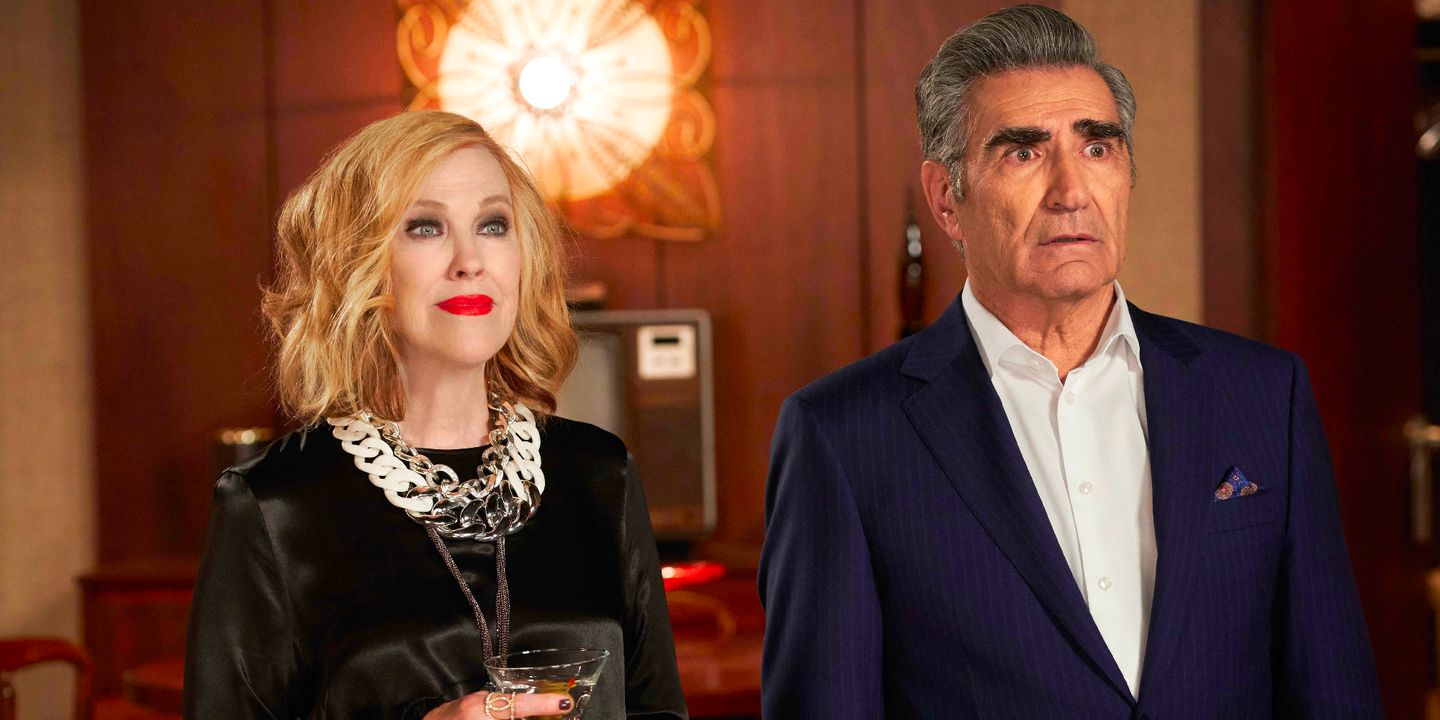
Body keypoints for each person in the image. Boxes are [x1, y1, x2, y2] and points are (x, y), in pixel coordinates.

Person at [759, 5, 1382, 718]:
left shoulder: (1264, 394)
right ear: (947, 198)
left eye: (1097, 148)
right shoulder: (842, 436)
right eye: (1023, 153)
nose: (1071, 192)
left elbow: (1333, 690)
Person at [184, 110, 687, 720]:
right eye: (425, 227)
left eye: (493, 225)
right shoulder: (271, 506)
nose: (469, 260)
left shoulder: (601, 474)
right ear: (358, 261)